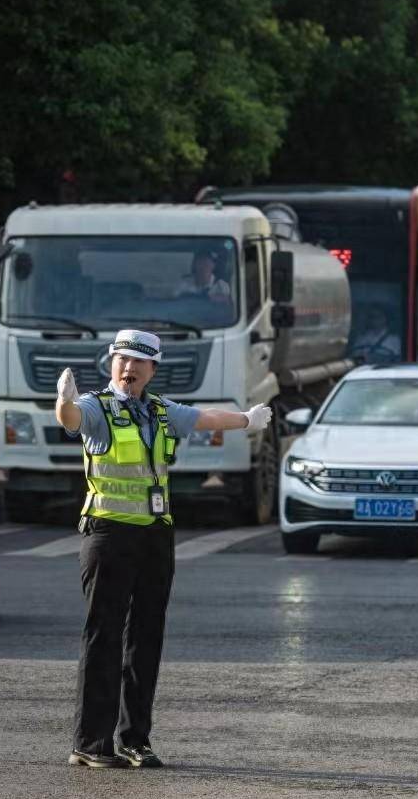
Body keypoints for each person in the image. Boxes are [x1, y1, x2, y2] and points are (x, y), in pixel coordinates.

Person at [56, 329, 272, 769]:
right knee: (104, 637)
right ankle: (91, 743)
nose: (129, 369)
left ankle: (136, 739)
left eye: (138, 363)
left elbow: (204, 417)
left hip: (155, 536)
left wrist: (246, 420)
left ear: (153, 369)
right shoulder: (96, 407)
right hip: (109, 534)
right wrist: (63, 402)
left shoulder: (159, 410)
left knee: (146, 640)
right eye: (122, 360)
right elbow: (71, 420)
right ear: (111, 363)